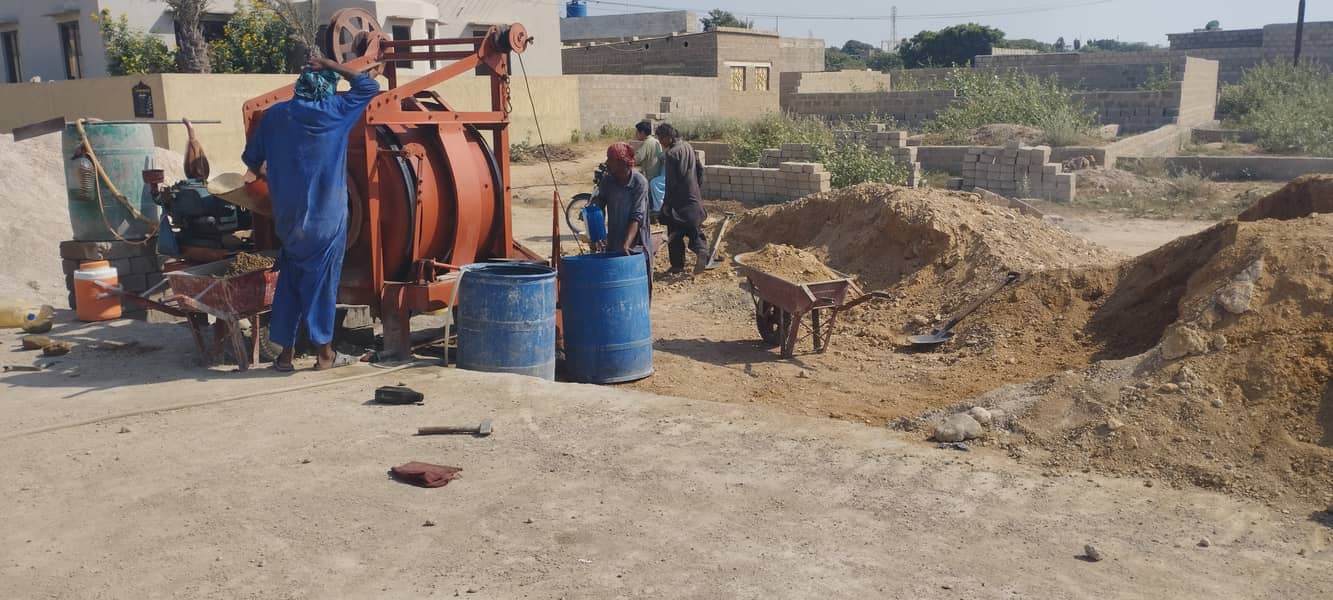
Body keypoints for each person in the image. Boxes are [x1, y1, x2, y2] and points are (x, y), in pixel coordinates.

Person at [241, 55, 381, 372]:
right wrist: (332, 64)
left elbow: (252, 161)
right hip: (326, 219)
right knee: (321, 284)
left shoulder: (276, 116)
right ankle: (324, 354)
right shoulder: (336, 112)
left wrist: (276, 169)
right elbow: (369, 85)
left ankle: (285, 355)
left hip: (289, 219)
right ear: (329, 88)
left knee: (290, 280)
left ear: (299, 87)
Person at [592, 142, 654, 297]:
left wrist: (626, 244)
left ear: (621, 163)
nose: (606, 163)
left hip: (636, 247)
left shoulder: (639, 183)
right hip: (614, 244)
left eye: (609, 159)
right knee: (616, 291)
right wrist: (596, 233)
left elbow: (637, 215)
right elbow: (598, 204)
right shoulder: (608, 181)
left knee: (637, 292)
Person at [654, 123, 709, 274]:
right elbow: (699, 169)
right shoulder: (687, 146)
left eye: (660, 138)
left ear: (668, 137)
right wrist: (696, 187)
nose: (659, 141)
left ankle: (678, 265)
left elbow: (670, 183)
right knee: (693, 228)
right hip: (693, 198)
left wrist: (666, 205)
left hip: (679, 202)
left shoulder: (671, 154)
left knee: (674, 231)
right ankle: (701, 249)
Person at [633, 120, 665, 219]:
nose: (635, 134)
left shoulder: (647, 143)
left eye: (637, 132)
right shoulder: (655, 141)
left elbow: (637, 158)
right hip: (657, 174)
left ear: (642, 132)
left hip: (650, 176)